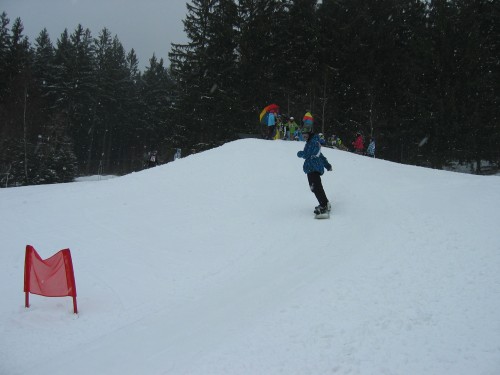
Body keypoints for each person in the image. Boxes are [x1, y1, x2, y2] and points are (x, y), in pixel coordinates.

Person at [297, 127, 332, 215]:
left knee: (315, 187)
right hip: (311, 168)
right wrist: (327, 165)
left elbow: (309, 154)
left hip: (314, 167)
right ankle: (324, 203)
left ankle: (324, 205)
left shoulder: (313, 142)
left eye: (305, 134)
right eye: (303, 135)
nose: (304, 136)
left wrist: (301, 153)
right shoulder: (311, 142)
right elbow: (320, 155)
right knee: (315, 187)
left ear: (310, 133)